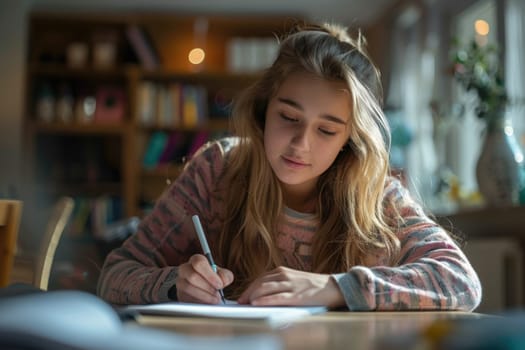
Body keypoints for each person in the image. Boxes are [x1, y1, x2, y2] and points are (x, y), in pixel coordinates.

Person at [97, 23, 482, 311]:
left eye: (327, 130)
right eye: (288, 117)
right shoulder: (217, 170)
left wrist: (335, 287)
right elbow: (114, 275)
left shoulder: (376, 195)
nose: (301, 144)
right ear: (264, 111)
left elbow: (462, 281)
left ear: (350, 139)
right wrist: (173, 283)